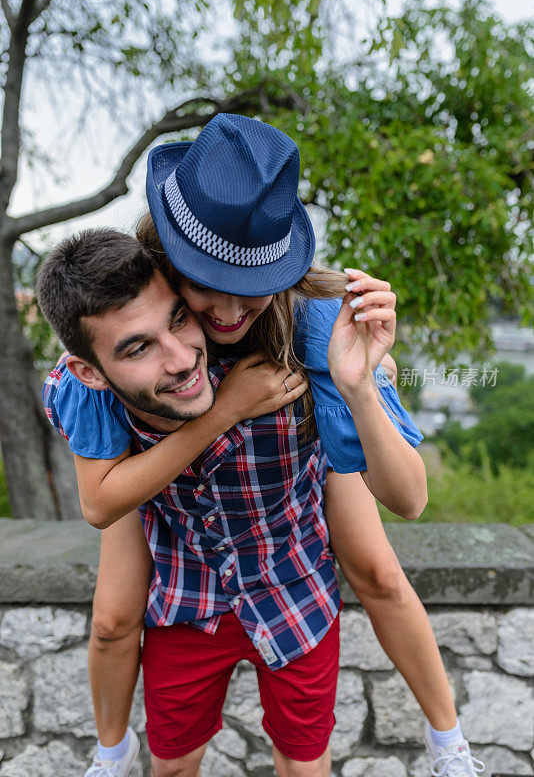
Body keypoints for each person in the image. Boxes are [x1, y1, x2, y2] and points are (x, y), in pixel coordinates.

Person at [38, 113, 483, 777]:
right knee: (113, 620)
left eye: (247, 284)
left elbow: (409, 497)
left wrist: (361, 387)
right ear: (165, 256)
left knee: (378, 571)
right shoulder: (128, 348)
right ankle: (111, 753)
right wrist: (223, 409)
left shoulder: (313, 331)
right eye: (200, 285)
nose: (224, 310)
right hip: (188, 575)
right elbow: (101, 501)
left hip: (291, 549)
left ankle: (450, 742)